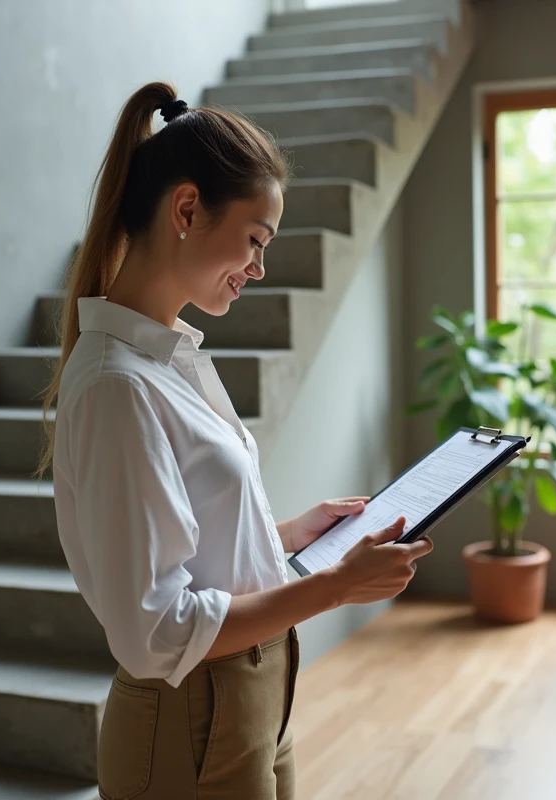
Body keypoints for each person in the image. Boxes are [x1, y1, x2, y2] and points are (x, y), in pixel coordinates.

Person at [35, 81, 435, 800]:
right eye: (255, 240)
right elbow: (158, 631)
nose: (259, 267)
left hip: (253, 695)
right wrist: (334, 587)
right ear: (187, 209)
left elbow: (191, 550)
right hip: (190, 719)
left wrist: (287, 538)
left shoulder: (171, 361)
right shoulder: (118, 384)